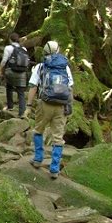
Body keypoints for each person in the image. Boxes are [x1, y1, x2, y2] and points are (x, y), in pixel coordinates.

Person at [24, 40, 74, 179]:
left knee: (38, 129)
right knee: (58, 138)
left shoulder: (40, 66)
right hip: (61, 105)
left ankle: (38, 159)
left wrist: (28, 106)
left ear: (44, 52)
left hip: (44, 103)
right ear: (58, 51)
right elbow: (70, 87)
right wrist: (69, 105)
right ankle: (54, 168)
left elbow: (33, 86)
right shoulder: (65, 67)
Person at [0, 33, 29, 117]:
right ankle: (22, 112)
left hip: (11, 71)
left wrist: (0, 70)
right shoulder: (23, 48)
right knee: (21, 92)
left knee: (9, 88)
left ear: (10, 39)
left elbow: (4, 60)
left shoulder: (8, 48)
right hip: (22, 72)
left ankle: (10, 106)